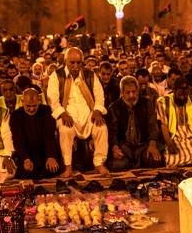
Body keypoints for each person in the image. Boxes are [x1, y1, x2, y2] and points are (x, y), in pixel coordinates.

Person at [46, 47, 109, 177]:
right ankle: (68, 166)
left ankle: (98, 163)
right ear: (65, 62)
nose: (75, 66)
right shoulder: (56, 76)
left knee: (101, 127)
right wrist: (63, 114)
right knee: (65, 130)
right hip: (67, 115)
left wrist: (97, 111)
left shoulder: (90, 75)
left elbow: (99, 96)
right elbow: (53, 100)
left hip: (88, 115)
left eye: (78, 63)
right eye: (72, 62)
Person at [106, 76, 162, 171]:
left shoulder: (147, 103)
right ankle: (132, 162)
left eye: (134, 91)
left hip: (143, 146)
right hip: (124, 147)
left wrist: (152, 145)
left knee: (155, 161)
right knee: (118, 166)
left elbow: (152, 126)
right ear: (122, 93)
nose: (132, 95)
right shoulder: (114, 108)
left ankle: (137, 162)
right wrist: (115, 148)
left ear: (138, 90)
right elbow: (112, 132)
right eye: (128, 92)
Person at [157, 77, 192, 167]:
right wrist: (170, 144)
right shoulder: (163, 102)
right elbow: (163, 125)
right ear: (174, 90)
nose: (183, 97)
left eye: (185, 94)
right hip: (174, 138)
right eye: (180, 94)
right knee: (171, 159)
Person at [10, 88, 62, 179]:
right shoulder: (16, 115)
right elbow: (18, 140)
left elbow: (49, 136)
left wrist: (51, 156)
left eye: (34, 106)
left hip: (44, 150)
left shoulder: (46, 111)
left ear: (39, 101)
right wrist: (25, 158)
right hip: (27, 152)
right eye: (28, 106)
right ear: (22, 101)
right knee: (27, 173)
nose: (31, 109)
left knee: (54, 169)